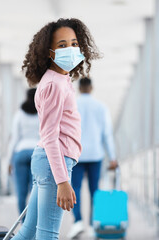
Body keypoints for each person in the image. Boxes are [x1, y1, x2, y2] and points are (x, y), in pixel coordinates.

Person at [11, 18, 100, 240]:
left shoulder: (59, 79)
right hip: (55, 162)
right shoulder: (54, 84)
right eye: (62, 45)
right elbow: (49, 137)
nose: (70, 49)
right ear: (50, 52)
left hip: (49, 161)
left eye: (74, 43)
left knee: (29, 231)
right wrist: (62, 182)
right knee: (47, 234)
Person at [67, 77, 118, 239]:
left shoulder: (72, 105)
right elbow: (107, 134)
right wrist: (113, 157)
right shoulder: (101, 107)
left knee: (75, 189)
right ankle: (93, 223)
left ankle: (78, 222)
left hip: (76, 154)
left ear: (79, 88)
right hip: (96, 154)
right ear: (91, 88)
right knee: (95, 189)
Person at [7, 88, 39, 216]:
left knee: (21, 192)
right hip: (37, 153)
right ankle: (32, 223)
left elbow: (14, 138)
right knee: (35, 191)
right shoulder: (42, 112)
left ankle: (23, 222)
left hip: (20, 152)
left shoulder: (19, 114)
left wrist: (9, 161)